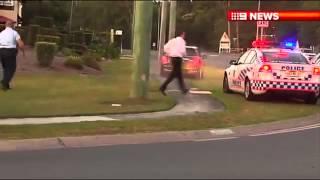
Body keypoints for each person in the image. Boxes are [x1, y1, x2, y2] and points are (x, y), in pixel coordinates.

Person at [159, 31, 188, 96]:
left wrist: (169, 53)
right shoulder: (182, 41)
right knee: (174, 74)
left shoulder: (172, 40)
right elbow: (183, 51)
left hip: (173, 58)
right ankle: (162, 87)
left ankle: (183, 89)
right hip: (178, 59)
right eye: (184, 34)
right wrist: (185, 55)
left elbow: (165, 47)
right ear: (182, 35)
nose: (184, 36)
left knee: (178, 74)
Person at [0, 19, 25, 91]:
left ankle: (6, 85)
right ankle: (4, 82)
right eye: (13, 24)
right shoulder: (14, 33)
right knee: (11, 68)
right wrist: (23, 51)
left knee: (5, 69)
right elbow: (20, 44)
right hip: (10, 52)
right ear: (11, 25)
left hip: (1, 51)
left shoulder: (1, 33)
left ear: (5, 25)